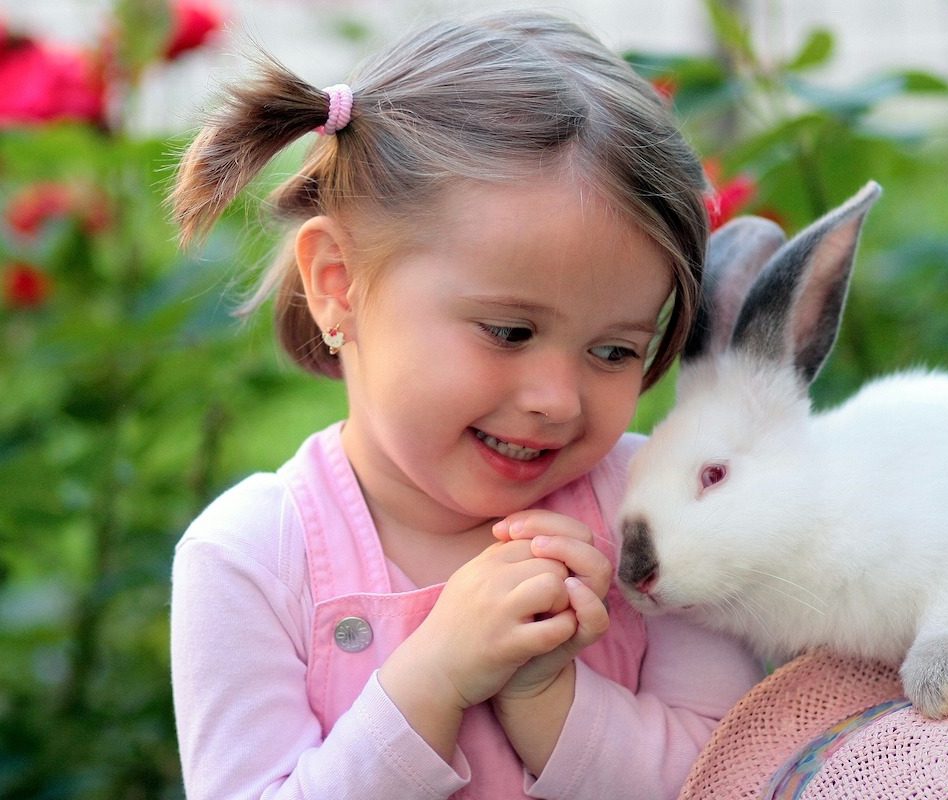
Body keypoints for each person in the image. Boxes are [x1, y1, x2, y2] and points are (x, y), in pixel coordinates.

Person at [169, 10, 763, 800]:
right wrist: (434, 678)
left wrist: (549, 698)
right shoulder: (253, 559)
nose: (556, 400)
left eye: (614, 351)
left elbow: (733, 775)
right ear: (338, 285)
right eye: (510, 331)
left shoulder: (657, 510)